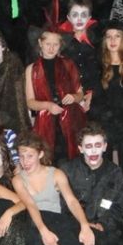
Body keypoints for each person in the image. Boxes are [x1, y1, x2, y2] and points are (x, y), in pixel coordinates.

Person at [89, 22, 123, 173]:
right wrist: (93, 127)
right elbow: (96, 98)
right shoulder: (99, 65)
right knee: (103, 166)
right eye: (109, 37)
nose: (112, 40)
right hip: (103, 123)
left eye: (117, 36)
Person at [25, 30, 87, 162]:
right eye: (48, 44)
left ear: (61, 45)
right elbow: (30, 102)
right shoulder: (32, 69)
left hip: (71, 121)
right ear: (40, 43)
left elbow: (80, 94)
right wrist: (48, 106)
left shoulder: (69, 64)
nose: (51, 48)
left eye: (55, 44)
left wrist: (73, 97)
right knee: (48, 159)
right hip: (45, 122)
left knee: (72, 159)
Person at [59, 0, 98, 110]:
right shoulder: (61, 43)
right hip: (69, 98)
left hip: (95, 98)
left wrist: (93, 93)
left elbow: (104, 70)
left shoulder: (98, 41)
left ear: (89, 17)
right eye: (75, 15)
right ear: (69, 17)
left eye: (83, 15)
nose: (79, 19)